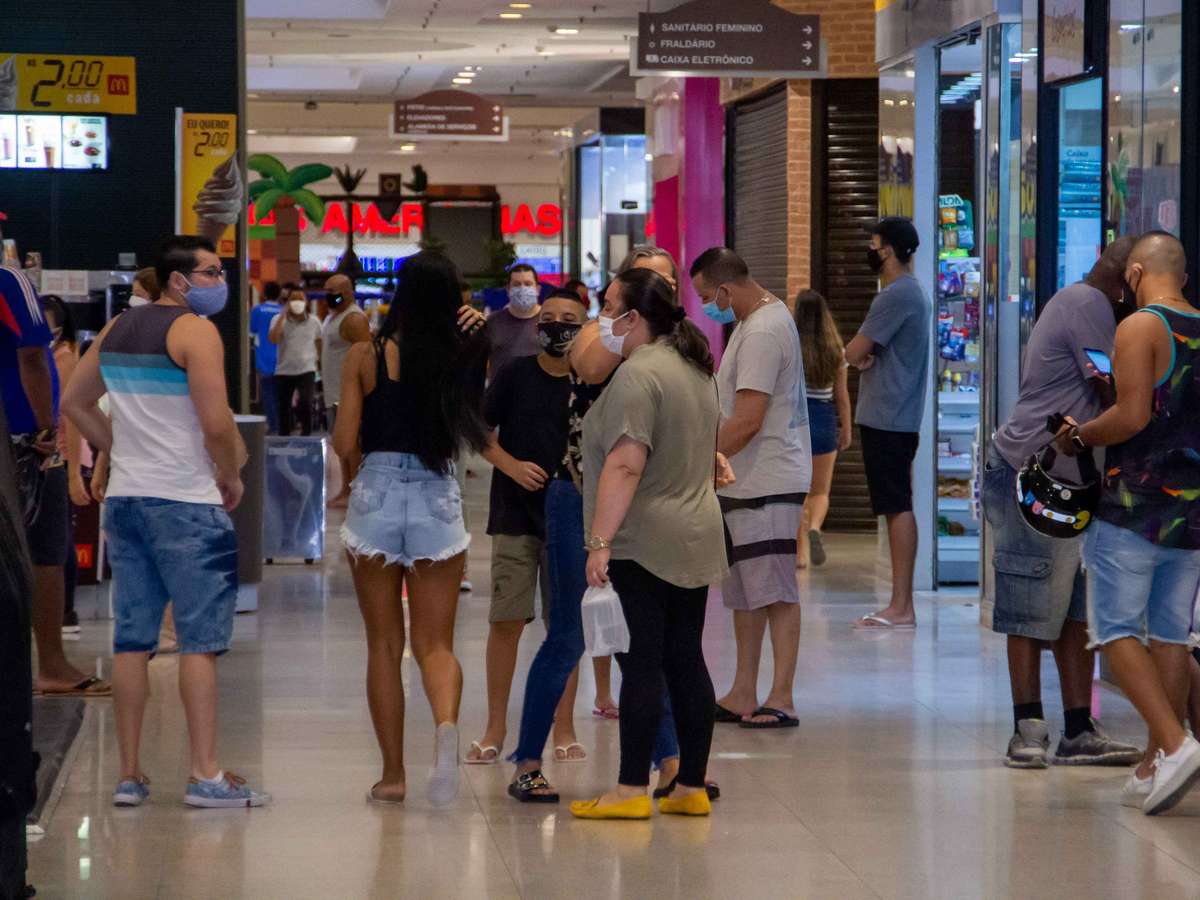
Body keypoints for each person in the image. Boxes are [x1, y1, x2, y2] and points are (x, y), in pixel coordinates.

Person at [62, 235, 268, 808]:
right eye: (209, 272)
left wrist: (119, 449)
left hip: (127, 501)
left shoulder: (116, 330)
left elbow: (75, 403)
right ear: (179, 280)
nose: (217, 281)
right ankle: (205, 775)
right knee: (199, 643)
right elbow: (217, 423)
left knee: (132, 641)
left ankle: (130, 774)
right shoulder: (195, 332)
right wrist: (230, 474)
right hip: (186, 500)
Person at [570, 267, 727, 820]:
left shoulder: (639, 375)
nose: (602, 319)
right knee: (686, 658)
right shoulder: (695, 368)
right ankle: (689, 787)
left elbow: (626, 463)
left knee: (641, 664)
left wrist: (599, 541)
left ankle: (631, 789)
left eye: (609, 307)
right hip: (698, 529)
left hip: (646, 538)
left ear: (634, 317)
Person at [334, 251, 489, 807]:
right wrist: (476, 337)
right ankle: (445, 726)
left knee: (383, 644)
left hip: (375, 490)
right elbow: (474, 423)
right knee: (435, 643)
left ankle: (393, 775)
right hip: (436, 494)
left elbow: (346, 442)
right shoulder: (463, 352)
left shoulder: (364, 355)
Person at [1055, 232, 1200, 816]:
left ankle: (1175, 743)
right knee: (1170, 634)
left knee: (1113, 630)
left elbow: (1132, 414)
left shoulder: (1140, 326)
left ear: (1135, 272)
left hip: (1135, 505)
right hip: (1191, 506)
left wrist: (1080, 434)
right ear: (1183, 276)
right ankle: (1151, 763)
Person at [984, 238, 1142, 768]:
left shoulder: (1093, 305)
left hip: (1074, 480)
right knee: (1028, 602)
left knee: (1074, 608)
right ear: (1129, 279)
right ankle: (1027, 728)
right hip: (1036, 474)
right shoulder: (1087, 304)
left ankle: (1078, 728)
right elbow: (1113, 394)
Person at [691, 248, 812, 730]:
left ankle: (781, 696)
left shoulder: (762, 331)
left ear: (726, 288)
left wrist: (697, 462)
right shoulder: (754, 319)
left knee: (775, 591)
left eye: (706, 296)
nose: (706, 305)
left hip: (768, 479)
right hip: (746, 479)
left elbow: (748, 420)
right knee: (744, 593)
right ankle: (743, 689)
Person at [466, 289, 587, 767]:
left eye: (568, 319)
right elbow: (477, 429)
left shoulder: (593, 379)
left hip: (572, 518)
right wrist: (511, 465)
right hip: (515, 513)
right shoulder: (516, 374)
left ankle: (564, 725)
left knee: (565, 627)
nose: (558, 327)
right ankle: (496, 725)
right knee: (506, 620)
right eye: (550, 318)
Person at [0, 265, 108, 697]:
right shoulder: (11, 281)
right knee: (47, 547)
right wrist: (47, 428)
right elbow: (32, 357)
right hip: (22, 436)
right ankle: (51, 664)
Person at [845, 217, 932, 629]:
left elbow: (853, 351)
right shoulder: (907, 294)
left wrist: (860, 355)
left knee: (896, 505)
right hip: (894, 414)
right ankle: (900, 603)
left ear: (891, 250)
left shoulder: (896, 295)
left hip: (889, 416)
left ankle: (901, 605)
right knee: (894, 503)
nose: (871, 251)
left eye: (876, 244)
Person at [793, 290, 852, 568]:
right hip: (825, 419)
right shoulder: (835, 348)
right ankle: (815, 527)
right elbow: (842, 396)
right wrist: (846, 429)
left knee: (797, 492)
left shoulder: (791, 346)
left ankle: (800, 552)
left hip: (796, 421)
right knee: (820, 492)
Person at [41, 297, 89, 639]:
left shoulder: (65, 357)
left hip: (59, 457)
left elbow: (71, 419)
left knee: (59, 539)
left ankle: (66, 610)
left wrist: (73, 472)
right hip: (40, 457)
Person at [321, 274, 371, 507]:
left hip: (347, 393)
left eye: (334, 292)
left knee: (351, 445)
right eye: (327, 291)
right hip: (333, 391)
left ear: (348, 292)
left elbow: (366, 354)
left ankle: (354, 490)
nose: (329, 296)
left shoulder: (353, 319)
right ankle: (345, 487)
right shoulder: (334, 316)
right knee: (341, 444)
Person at [269, 287, 322, 436]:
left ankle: (306, 434)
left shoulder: (314, 321)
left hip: (307, 369)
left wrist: (319, 364)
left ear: (305, 303)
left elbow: (319, 342)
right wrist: (282, 316)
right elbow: (273, 339)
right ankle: (284, 437)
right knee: (283, 407)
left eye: (300, 300)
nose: (297, 304)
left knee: (305, 402)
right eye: (294, 300)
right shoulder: (278, 320)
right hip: (284, 369)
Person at [487, 263, 541, 377]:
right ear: (508, 289)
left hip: (540, 393)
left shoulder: (549, 321)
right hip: (500, 393)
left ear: (537, 289)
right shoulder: (492, 322)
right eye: (516, 284)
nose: (522, 289)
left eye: (528, 284)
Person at [249, 281, 283, 434]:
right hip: (282, 357)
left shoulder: (258, 310)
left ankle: (273, 424)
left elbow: (251, 331)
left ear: (264, 294)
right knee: (281, 393)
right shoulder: (283, 311)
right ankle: (281, 424)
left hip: (263, 356)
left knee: (268, 393)